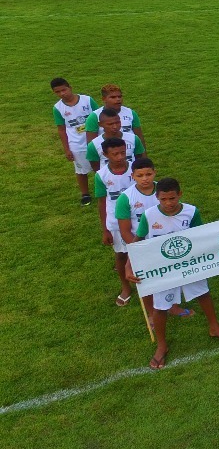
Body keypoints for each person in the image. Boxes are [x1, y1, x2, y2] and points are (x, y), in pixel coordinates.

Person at [125, 177, 219, 370]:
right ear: (157, 198)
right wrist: (128, 265)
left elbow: (200, 236)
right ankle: (162, 345)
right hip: (162, 268)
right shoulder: (149, 215)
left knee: (203, 293)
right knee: (160, 307)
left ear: (180, 195)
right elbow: (137, 241)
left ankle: (214, 327)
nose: (168, 203)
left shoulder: (191, 212)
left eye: (172, 198)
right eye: (163, 199)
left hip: (189, 263)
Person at [115, 156, 164, 315]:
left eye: (148, 174)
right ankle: (151, 313)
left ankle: (173, 305)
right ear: (132, 176)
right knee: (144, 280)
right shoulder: (125, 198)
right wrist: (139, 250)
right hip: (139, 245)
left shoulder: (164, 191)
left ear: (155, 173)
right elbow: (125, 231)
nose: (145, 179)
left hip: (163, 242)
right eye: (140, 175)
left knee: (166, 275)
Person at [93, 137, 135, 307]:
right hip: (116, 222)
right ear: (105, 154)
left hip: (138, 219)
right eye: (115, 154)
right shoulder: (101, 175)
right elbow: (102, 202)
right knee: (121, 254)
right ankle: (126, 287)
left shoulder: (136, 169)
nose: (120, 157)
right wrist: (105, 230)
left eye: (123, 152)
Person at [50, 77, 96, 205]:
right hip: (76, 144)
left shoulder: (87, 100)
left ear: (70, 87)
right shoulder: (58, 108)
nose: (62, 94)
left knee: (101, 166)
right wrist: (67, 149)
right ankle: (85, 194)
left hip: (94, 140)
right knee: (81, 170)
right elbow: (61, 129)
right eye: (58, 92)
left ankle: (106, 189)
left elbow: (99, 117)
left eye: (64, 90)